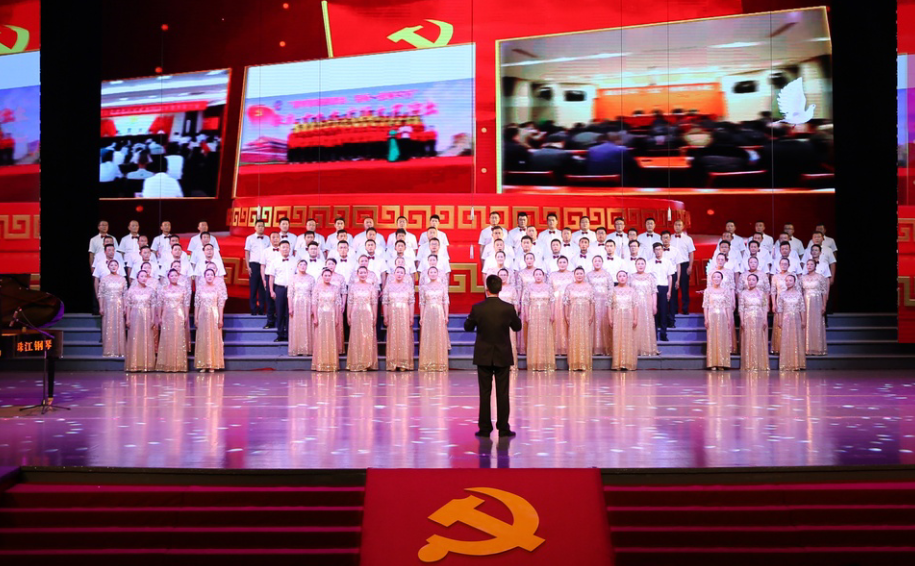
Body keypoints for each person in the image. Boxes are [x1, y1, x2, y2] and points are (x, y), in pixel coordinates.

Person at [464, 275, 523, 438]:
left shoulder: (478, 308)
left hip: (483, 355)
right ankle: (503, 428)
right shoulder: (508, 308)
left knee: (485, 393)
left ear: (487, 289)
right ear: (500, 289)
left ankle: (484, 428)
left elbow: (467, 327)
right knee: (503, 393)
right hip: (502, 355)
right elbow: (517, 326)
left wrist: (471, 319)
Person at [155, 269, 190, 372]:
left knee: (178, 338)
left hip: (179, 315)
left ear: (178, 277)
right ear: (168, 277)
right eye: (172, 276)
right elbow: (159, 303)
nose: (174, 277)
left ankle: (179, 364)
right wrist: (160, 316)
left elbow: (186, 303)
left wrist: (186, 316)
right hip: (167, 315)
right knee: (167, 337)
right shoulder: (163, 289)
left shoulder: (183, 289)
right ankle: (166, 364)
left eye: (175, 275)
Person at [382, 266, 415, 371]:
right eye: (397, 272)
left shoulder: (408, 287)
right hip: (392, 314)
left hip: (405, 313)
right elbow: (385, 302)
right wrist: (385, 316)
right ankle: (393, 362)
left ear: (404, 275)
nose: (399, 274)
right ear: (394, 274)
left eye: (401, 272)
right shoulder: (388, 286)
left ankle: (404, 362)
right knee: (393, 335)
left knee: (404, 336)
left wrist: (411, 316)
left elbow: (411, 302)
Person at [124, 269, 158, 372]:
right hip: (135, 316)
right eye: (141, 276)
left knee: (146, 338)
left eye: (145, 276)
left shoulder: (150, 290)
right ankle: (134, 364)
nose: (144, 278)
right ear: (137, 278)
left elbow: (153, 305)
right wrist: (127, 319)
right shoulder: (131, 290)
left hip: (147, 316)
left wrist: (153, 318)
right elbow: (128, 306)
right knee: (135, 338)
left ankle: (146, 364)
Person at [194, 268, 227, 373]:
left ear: (214, 276)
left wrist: (220, 318)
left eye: (211, 275)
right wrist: (195, 318)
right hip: (202, 315)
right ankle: (203, 364)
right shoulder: (200, 289)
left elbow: (220, 304)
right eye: (207, 275)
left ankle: (213, 363)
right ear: (204, 277)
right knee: (203, 338)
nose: (209, 276)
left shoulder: (218, 289)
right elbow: (196, 304)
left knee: (213, 338)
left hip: (214, 315)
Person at [346, 267, 379, 371]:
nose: (363, 275)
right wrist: (348, 315)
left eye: (364, 273)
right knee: (356, 336)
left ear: (367, 274)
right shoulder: (352, 287)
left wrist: (374, 316)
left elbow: (374, 303)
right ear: (357, 274)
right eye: (361, 273)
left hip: (367, 313)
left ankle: (367, 362)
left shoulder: (371, 287)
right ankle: (356, 362)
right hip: (355, 313)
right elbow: (350, 302)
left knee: (367, 336)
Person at [419, 266, 450, 372]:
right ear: (428, 274)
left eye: (434, 272)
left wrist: (446, 315)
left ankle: (440, 363)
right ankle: (427, 363)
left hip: (439, 312)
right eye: (431, 272)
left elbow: (445, 301)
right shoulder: (424, 287)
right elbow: (422, 302)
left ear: (437, 274)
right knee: (428, 336)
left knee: (439, 336)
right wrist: (421, 317)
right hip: (428, 312)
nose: (432, 274)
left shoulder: (442, 286)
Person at [563, 267, 595, 372]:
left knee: (585, 337)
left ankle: (585, 363)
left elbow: (592, 302)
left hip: (585, 315)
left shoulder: (589, 287)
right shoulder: (569, 287)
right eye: (577, 273)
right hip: (573, 315)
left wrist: (591, 315)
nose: (579, 275)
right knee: (574, 337)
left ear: (584, 275)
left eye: (581, 273)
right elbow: (566, 302)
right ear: (574, 275)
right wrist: (566, 315)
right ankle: (574, 363)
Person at [312, 269, 344, 372]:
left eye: (329, 275)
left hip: (332, 315)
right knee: (320, 338)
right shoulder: (317, 288)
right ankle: (320, 363)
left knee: (331, 337)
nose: (327, 277)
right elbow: (314, 303)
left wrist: (337, 317)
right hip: (321, 315)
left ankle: (332, 363)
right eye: (325, 275)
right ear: (322, 277)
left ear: (331, 277)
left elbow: (338, 304)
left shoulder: (335, 288)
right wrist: (315, 317)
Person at [738, 273, 770, 371]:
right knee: (748, 340)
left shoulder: (762, 293)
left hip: (759, 318)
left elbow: (765, 307)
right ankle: (749, 364)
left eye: (753, 280)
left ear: (757, 281)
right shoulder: (743, 293)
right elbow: (741, 308)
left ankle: (760, 364)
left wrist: (765, 319)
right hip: (747, 319)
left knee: (759, 339)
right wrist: (742, 320)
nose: (751, 282)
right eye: (749, 280)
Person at [609, 270, 639, 371]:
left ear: (627, 278)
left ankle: (628, 362)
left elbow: (635, 305)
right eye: (620, 276)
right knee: (617, 338)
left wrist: (635, 318)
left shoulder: (632, 291)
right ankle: (618, 363)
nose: (622, 278)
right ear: (617, 278)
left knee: (628, 338)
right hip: (617, 316)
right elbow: (609, 306)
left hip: (629, 317)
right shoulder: (612, 290)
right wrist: (610, 318)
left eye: (624, 276)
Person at [704, 271, 733, 370]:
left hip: (723, 317)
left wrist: (729, 319)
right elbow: (706, 306)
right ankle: (712, 363)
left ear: (721, 279)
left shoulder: (725, 291)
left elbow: (728, 306)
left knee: (722, 338)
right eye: (714, 277)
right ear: (711, 279)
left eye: (718, 277)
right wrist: (706, 319)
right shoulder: (707, 291)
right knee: (712, 338)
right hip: (711, 316)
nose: (716, 279)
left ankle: (722, 362)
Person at [97, 259, 127, 358]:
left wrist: (125, 307)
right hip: (108, 305)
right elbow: (101, 294)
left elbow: (125, 294)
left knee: (119, 326)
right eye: (111, 265)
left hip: (119, 305)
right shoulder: (104, 279)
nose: (113, 267)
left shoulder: (122, 279)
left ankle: (120, 351)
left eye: (115, 265)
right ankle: (109, 351)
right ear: (108, 267)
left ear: (118, 267)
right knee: (108, 325)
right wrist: (101, 307)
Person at [629, 258, 659, 356]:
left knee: (647, 324)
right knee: (636, 325)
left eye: (642, 263)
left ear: (645, 265)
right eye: (638, 264)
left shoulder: (650, 277)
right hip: (635, 305)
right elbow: (628, 292)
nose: (640, 265)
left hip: (647, 304)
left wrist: (654, 305)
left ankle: (648, 348)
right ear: (635, 265)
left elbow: (654, 292)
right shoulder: (631, 277)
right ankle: (635, 348)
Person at [777, 275, 807, 371]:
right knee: (786, 339)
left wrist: (803, 320)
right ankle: (786, 363)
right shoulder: (782, 294)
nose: (788, 282)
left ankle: (797, 363)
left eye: (790, 280)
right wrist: (780, 320)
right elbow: (780, 309)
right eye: (786, 280)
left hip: (796, 319)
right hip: (786, 319)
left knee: (796, 339)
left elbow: (802, 308)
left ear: (794, 282)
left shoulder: (799, 294)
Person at [268, 241, 296, 342]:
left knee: (290, 313)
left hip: (292, 289)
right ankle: (280, 334)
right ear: (279, 249)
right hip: (279, 289)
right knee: (279, 312)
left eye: (287, 247)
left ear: (290, 249)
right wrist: (271, 290)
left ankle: (289, 335)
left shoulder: (295, 260)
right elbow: (271, 277)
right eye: (283, 247)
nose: (285, 249)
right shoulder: (274, 261)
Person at [800, 259, 829, 356]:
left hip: (817, 302)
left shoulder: (820, 277)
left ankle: (817, 348)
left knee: (816, 323)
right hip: (805, 302)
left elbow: (824, 292)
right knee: (806, 323)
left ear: (815, 266)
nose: (809, 266)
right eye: (807, 264)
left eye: (811, 264)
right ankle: (806, 348)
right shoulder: (802, 278)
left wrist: (824, 305)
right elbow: (800, 292)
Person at [288, 260, 316, 357]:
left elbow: (314, 294)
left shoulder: (311, 278)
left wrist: (313, 307)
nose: (303, 266)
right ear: (297, 266)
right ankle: (296, 349)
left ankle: (307, 349)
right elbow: (290, 294)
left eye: (305, 265)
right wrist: (290, 307)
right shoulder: (293, 278)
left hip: (308, 303)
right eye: (301, 264)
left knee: (307, 324)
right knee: (296, 325)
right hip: (296, 303)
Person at [648, 243, 675, 342]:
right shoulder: (649, 262)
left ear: (662, 250)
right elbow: (648, 277)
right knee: (653, 312)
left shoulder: (668, 262)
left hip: (664, 288)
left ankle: (663, 334)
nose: (658, 251)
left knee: (664, 312)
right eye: (656, 249)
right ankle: (653, 335)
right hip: (653, 289)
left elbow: (670, 277)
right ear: (653, 251)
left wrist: (669, 291)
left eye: (660, 249)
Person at [587, 255, 613, 356]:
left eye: (599, 261)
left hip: (605, 302)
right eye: (595, 261)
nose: (597, 262)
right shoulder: (588, 275)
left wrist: (609, 301)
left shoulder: (607, 275)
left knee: (604, 323)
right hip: (593, 302)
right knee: (593, 323)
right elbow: (587, 289)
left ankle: (606, 347)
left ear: (602, 263)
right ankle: (593, 347)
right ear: (592, 263)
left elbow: (611, 289)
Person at [497, 268, 521, 371]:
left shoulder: (512, 289)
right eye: (501, 275)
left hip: (509, 319)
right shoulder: (495, 289)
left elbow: (515, 303)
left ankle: (511, 364)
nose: (503, 277)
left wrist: (514, 317)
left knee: (510, 341)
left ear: (508, 276)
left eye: (504, 275)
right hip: (497, 318)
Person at [244, 219, 269, 316]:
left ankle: (262, 309)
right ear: (255, 227)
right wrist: (248, 266)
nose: (260, 228)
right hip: (254, 265)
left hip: (265, 265)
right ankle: (253, 309)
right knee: (253, 288)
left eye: (262, 226)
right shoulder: (250, 238)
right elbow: (247, 253)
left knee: (263, 288)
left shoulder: (267, 238)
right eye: (259, 226)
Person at [670, 220, 695, 314]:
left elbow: (691, 253)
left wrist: (690, 266)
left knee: (684, 288)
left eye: (679, 225)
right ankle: (674, 309)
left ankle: (685, 308)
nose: (677, 226)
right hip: (672, 265)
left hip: (684, 265)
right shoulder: (670, 238)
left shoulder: (688, 239)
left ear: (683, 226)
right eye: (676, 224)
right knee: (673, 288)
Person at [770, 257, 793, 354]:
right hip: (779, 302)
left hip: (790, 303)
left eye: (785, 264)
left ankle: (789, 347)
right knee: (779, 324)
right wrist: (773, 304)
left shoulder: (792, 275)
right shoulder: (775, 277)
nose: (783, 266)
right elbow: (773, 291)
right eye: (782, 264)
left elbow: (797, 290)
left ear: (789, 265)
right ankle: (778, 347)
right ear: (779, 265)